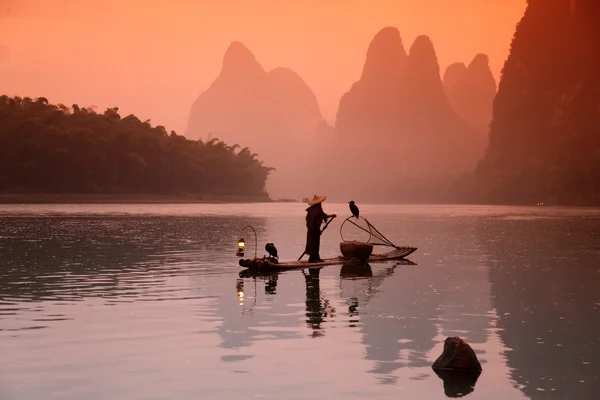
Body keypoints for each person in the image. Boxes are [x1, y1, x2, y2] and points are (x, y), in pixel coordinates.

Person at [302, 195, 336, 263]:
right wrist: (331, 215)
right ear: (318, 203)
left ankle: (315, 258)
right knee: (314, 243)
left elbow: (321, 216)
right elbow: (322, 216)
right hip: (313, 229)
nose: (321, 204)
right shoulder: (317, 209)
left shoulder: (312, 209)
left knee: (314, 243)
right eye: (320, 203)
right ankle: (313, 259)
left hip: (312, 229)